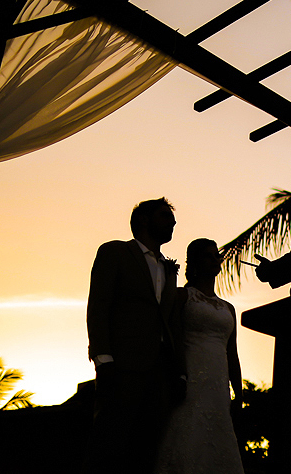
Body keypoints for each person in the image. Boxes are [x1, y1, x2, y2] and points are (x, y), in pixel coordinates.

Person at [84, 197, 184, 474]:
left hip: (160, 371)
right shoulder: (115, 252)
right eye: (165, 216)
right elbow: (99, 305)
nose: (173, 222)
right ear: (143, 220)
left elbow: (172, 323)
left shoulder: (168, 269)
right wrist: (104, 359)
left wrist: (180, 371)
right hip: (123, 365)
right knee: (109, 443)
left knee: (147, 449)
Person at [155, 238, 245, 474]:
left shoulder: (228, 308)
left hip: (219, 384)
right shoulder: (182, 296)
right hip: (191, 377)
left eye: (217, 256)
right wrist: (179, 374)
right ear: (194, 262)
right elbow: (172, 338)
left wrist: (238, 392)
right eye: (208, 255)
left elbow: (232, 353)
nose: (215, 260)